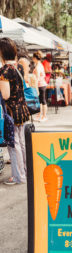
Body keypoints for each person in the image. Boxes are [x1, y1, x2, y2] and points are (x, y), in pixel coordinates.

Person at [0, 37, 30, 185]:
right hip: (23, 110)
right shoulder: (19, 67)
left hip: (12, 112)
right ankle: (25, 171)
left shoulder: (4, 71)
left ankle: (18, 176)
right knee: (22, 143)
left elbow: (5, 95)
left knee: (14, 145)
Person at [33, 50, 48, 122]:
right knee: (40, 101)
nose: (32, 59)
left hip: (40, 85)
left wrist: (35, 87)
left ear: (35, 58)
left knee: (43, 101)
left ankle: (44, 116)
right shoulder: (39, 65)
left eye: (33, 58)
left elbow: (37, 78)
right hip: (41, 85)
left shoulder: (38, 66)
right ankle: (40, 115)